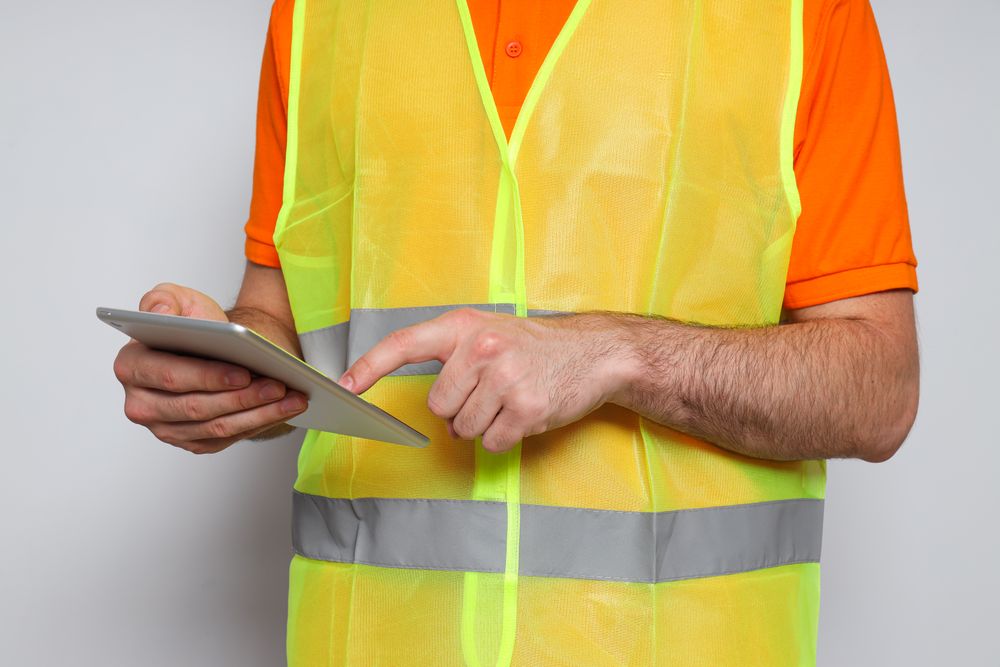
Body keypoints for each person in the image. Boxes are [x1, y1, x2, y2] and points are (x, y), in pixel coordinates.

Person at [112, 0, 919, 664]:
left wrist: (616, 351)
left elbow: (878, 390)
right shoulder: (319, 16)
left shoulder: (798, 16)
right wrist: (228, 361)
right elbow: (278, 318)